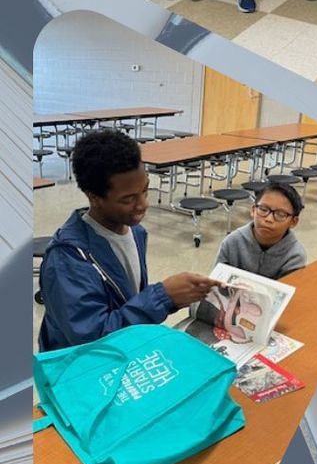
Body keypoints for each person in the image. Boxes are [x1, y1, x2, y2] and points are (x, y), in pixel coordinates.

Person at [38, 129, 220, 351]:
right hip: (81, 365)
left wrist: (176, 295)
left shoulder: (135, 232)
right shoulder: (68, 259)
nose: (143, 204)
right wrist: (162, 297)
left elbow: (124, 298)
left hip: (124, 350)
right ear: (94, 197)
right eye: (128, 199)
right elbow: (93, 340)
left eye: (145, 190)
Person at [215, 183, 306, 279]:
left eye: (280, 214)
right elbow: (216, 281)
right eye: (263, 209)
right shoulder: (232, 242)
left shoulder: (295, 255)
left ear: (293, 222)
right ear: (253, 210)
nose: (269, 219)